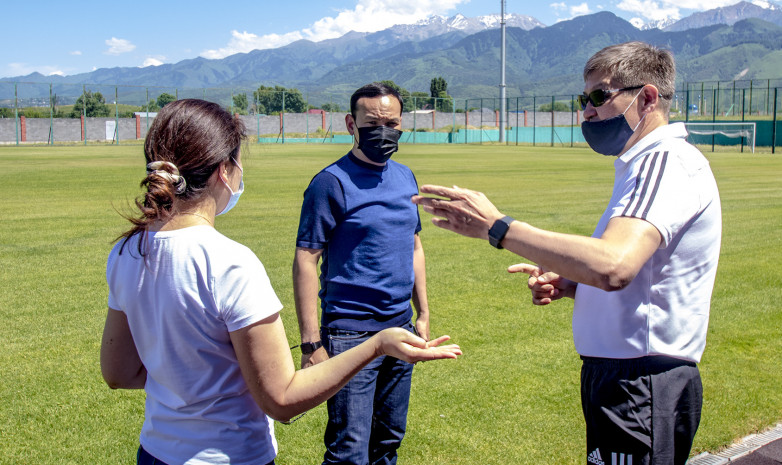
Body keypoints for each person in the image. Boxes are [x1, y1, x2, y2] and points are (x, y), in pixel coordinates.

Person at [100, 99, 461, 465]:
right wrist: (378, 345)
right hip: (232, 456)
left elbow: (118, 372)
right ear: (225, 170)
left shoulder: (128, 251)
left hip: (155, 453)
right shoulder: (230, 263)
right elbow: (282, 401)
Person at [412, 41, 721, 465]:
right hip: (624, 375)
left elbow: (614, 265)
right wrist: (575, 285)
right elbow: (642, 277)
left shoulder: (664, 161)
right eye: (584, 99)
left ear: (647, 98)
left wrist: (498, 227)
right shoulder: (642, 164)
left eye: (599, 96)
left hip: (639, 379)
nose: (587, 111)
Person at [293, 82, 430, 465]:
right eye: (373, 123)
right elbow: (307, 258)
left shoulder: (405, 177)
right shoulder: (330, 183)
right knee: (349, 449)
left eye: (392, 123)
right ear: (351, 124)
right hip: (350, 334)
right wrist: (310, 343)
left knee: (388, 440)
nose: (383, 131)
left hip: (401, 327)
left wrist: (423, 313)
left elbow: (414, 245)